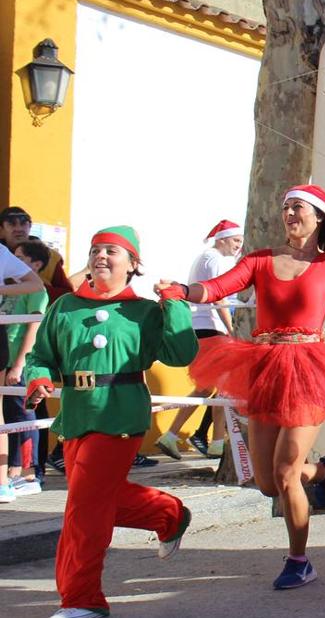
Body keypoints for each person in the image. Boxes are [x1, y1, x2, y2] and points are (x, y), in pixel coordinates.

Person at [159, 152, 325, 590]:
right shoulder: (260, 260)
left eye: (297, 206)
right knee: (267, 483)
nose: (289, 212)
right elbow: (216, 288)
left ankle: (299, 559)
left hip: (310, 366)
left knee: (285, 472)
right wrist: (181, 290)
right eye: (285, 206)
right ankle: (321, 473)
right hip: (264, 366)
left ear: (318, 216)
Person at [25, 226, 199, 618]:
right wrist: (38, 378)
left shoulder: (142, 312)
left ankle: (83, 601)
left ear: (132, 264)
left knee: (83, 511)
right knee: (94, 501)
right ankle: (167, 514)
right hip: (75, 416)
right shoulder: (64, 307)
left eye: (111, 251)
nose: (101, 256)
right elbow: (41, 357)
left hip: (119, 415)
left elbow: (181, 352)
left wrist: (174, 305)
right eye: (95, 250)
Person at [155, 221, 243, 461]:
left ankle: (208, 440)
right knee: (217, 387)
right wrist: (231, 329)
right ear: (222, 239)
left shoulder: (205, 258)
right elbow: (218, 296)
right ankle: (191, 437)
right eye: (236, 240)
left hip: (203, 328)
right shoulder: (212, 258)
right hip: (211, 328)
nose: (238, 245)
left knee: (214, 386)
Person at [3, 241, 52, 496]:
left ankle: (29, 473)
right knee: (10, 418)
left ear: (36, 264)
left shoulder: (36, 291)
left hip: (19, 362)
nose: (14, 262)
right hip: (7, 360)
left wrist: (20, 363)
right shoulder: (12, 290)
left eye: (20, 258)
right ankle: (12, 471)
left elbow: (33, 326)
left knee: (25, 418)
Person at [1, 206, 73, 300]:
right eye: (12, 224)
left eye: (23, 224)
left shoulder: (50, 256)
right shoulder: (2, 254)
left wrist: (30, 287)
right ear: (1, 230)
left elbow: (66, 294)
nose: (19, 229)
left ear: (30, 227)